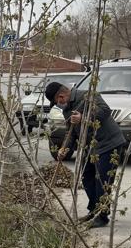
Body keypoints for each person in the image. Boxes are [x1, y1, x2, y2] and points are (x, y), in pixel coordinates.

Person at [45, 80, 126, 228]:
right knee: (86, 175)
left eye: (57, 102)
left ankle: (102, 216)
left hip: (109, 143)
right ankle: (94, 210)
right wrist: (64, 149)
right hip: (92, 148)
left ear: (61, 96)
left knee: (102, 180)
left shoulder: (88, 96)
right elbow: (71, 133)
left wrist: (84, 118)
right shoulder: (67, 110)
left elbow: (105, 111)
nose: (59, 104)